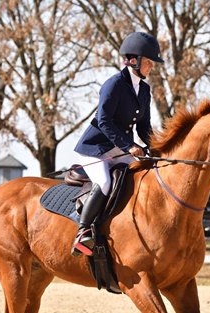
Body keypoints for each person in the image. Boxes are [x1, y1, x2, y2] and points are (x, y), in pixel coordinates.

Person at [71, 32, 164, 256]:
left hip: (119, 148)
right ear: (134, 60)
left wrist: (154, 148)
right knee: (104, 182)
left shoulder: (144, 89)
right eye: (150, 62)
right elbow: (104, 121)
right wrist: (129, 146)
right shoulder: (113, 84)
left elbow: (143, 125)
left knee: (144, 174)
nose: (152, 67)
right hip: (95, 148)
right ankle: (83, 233)